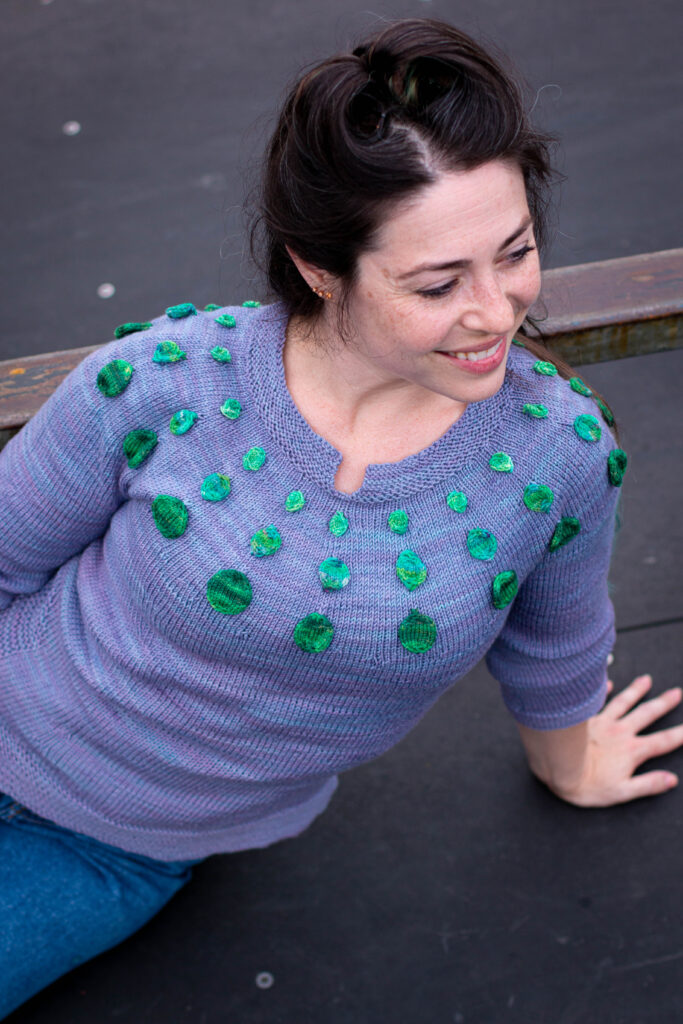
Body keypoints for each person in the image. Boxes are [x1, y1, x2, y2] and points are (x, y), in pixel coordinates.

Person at [0, 16, 681, 1019]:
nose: (495, 311)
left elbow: (554, 642)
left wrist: (570, 758)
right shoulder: (158, 382)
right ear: (321, 268)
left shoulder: (556, 454)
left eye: (516, 251)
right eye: (438, 283)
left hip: (107, 844)